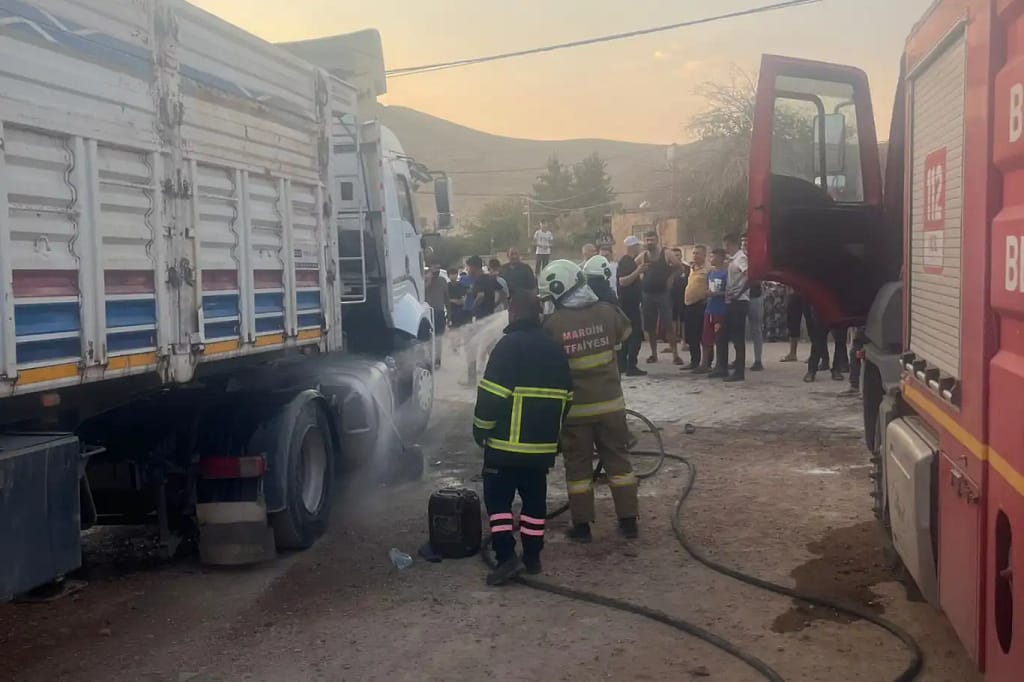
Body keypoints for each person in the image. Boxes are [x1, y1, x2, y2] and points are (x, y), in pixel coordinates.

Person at [473, 292, 574, 585]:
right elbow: (568, 398)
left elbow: (491, 396)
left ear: (514, 312)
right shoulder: (555, 349)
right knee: (534, 504)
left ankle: (506, 558)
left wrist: (481, 429)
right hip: (541, 449)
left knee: (499, 503)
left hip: (505, 447)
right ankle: (532, 558)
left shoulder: (508, 346)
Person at [540, 260, 639, 542]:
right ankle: (629, 522)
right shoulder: (609, 312)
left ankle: (582, 527)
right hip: (611, 406)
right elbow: (626, 333)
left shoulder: (552, 325)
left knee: (578, 468)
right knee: (619, 463)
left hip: (575, 413)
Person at [638, 229, 682, 365]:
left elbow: (679, 268)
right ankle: (653, 354)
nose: (649, 242)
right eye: (647, 240)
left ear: (657, 240)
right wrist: (639, 273)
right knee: (650, 327)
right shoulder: (643, 256)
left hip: (663, 294)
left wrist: (671, 279)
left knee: (668, 325)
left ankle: (675, 355)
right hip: (647, 295)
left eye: (651, 239)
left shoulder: (666, 253)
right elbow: (632, 268)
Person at [713, 232, 748, 382]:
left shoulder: (741, 258)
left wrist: (739, 292)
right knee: (722, 334)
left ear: (730, 244)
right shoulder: (732, 260)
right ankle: (722, 367)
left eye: (725, 245)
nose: (724, 248)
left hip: (739, 301)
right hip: (731, 301)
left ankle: (739, 371)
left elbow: (749, 274)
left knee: (738, 337)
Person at [616, 236, 646, 377]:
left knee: (627, 335)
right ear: (632, 247)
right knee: (634, 335)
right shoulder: (626, 262)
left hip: (630, 303)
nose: (639, 248)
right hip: (628, 305)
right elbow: (623, 281)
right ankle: (630, 365)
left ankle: (623, 365)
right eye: (637, 246)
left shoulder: (630, 262)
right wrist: (638, 271)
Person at [695, 249, 728, 374]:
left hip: (721, 310)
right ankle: (704, 363)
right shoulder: (710, 273)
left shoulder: (726, 274)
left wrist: (716, 293)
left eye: (713, 256)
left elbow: (729, 292)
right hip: (709, 309)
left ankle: (719, 364)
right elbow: (707, 288)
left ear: (720, 258)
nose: (711, 259)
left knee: (719, 338)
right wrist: (706, 293)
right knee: (706, 338)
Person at [682, 245, 709, 370]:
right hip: (689, 304)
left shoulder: (708, 270)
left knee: (702, 335)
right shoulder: (692, 269)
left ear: (704, 255)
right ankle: (694, 361)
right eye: (693, 253)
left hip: (701, 304)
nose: (695, 255)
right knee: (691, 335)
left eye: (698, 253)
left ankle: (706, 362)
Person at [740, 235, 765, 372]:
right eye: (742, 242)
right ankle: (740, 358)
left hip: (754, 295)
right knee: (739, 330)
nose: (744, 245)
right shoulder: (737, 259)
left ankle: (758, 360)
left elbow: (757, 279)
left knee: (756, 329)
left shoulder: (757, 259)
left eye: (747, 242)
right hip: (742, 297)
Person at [424, 263, 449, 367]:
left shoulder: (443, 281)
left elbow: (447, 297)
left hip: (439, 312)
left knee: (438, 338)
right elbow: (423, 291)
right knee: (428, 338)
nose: (437, 270)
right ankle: (429, 358)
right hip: (427, 312)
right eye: (434, 268)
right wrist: (429, 279)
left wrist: (449, 313)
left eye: (439, 268)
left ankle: (438, 360)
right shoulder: (424, 279)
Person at [669, 248, 688, 349]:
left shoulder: (686, 268)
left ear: (681, 256)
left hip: (683, 296)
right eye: (674, 255)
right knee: (672, 319)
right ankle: (672, 342)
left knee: (683, 319)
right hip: (671, 297)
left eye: (678, 255)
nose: (676, 257)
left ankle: (683, 340)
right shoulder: (668, 269)